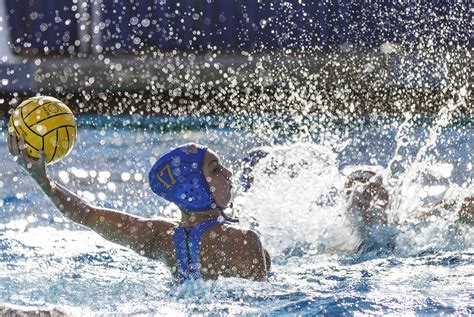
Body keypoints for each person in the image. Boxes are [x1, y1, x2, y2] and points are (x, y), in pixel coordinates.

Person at [8, 133, 270, 284]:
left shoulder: (161, 237)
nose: (228, 172)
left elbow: (84, 214)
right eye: (215, 169)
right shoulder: (243, 240)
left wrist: (41, 178)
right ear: (195, 189)